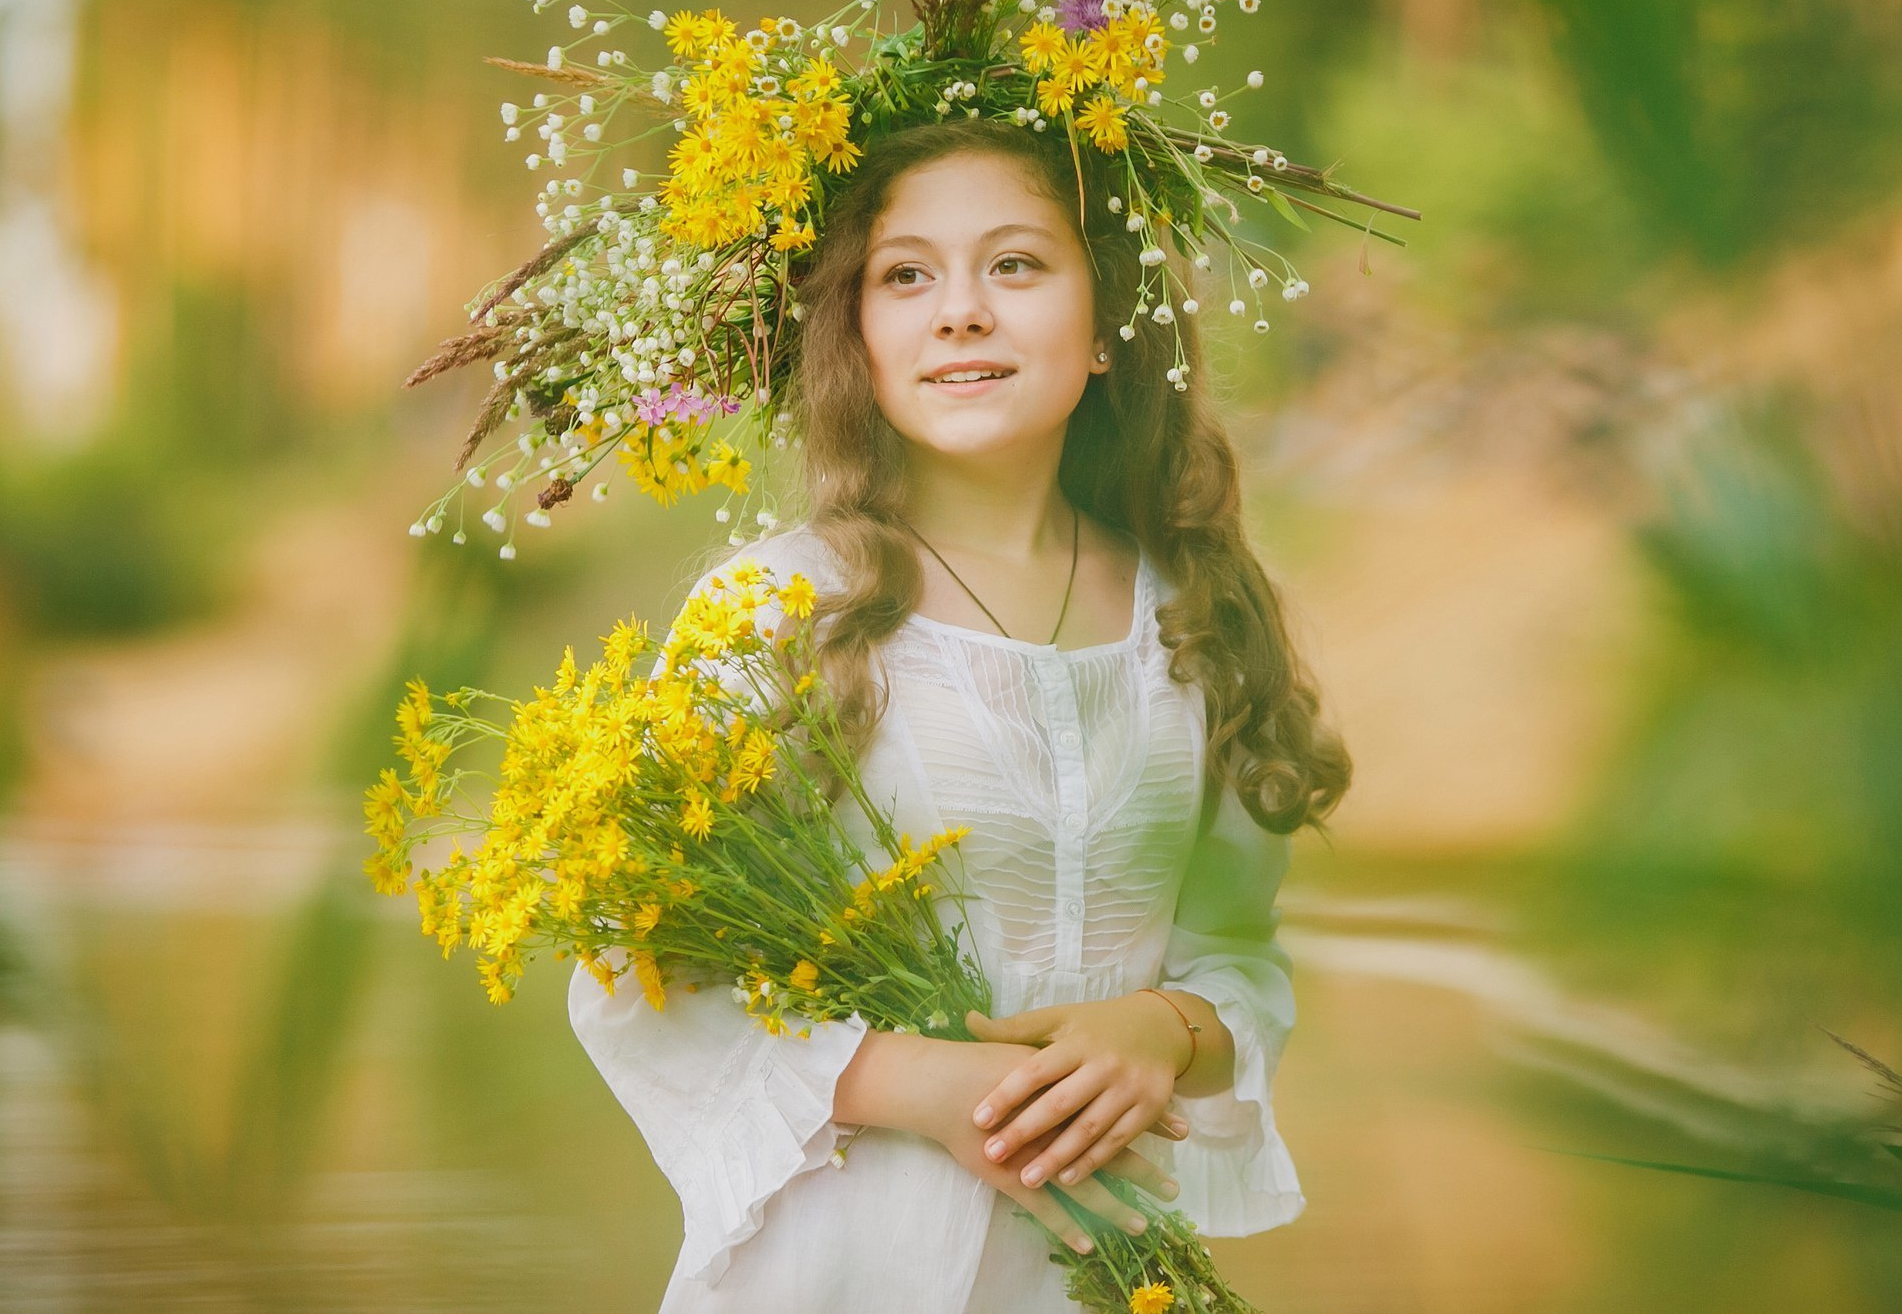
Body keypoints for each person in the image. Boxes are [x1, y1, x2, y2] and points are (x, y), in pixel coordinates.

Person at [564, 117, 1353, 1311]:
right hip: (838, 1266)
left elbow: (1238, 951)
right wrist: (915, 1081)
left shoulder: (1194, 617)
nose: (962, 310)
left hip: (1099, 1272)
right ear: (858, 338)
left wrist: (1166, 1029)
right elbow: (630, 968)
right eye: (906, 274)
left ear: (1106, 326)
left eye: (1018, 265)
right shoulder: (776, 612)